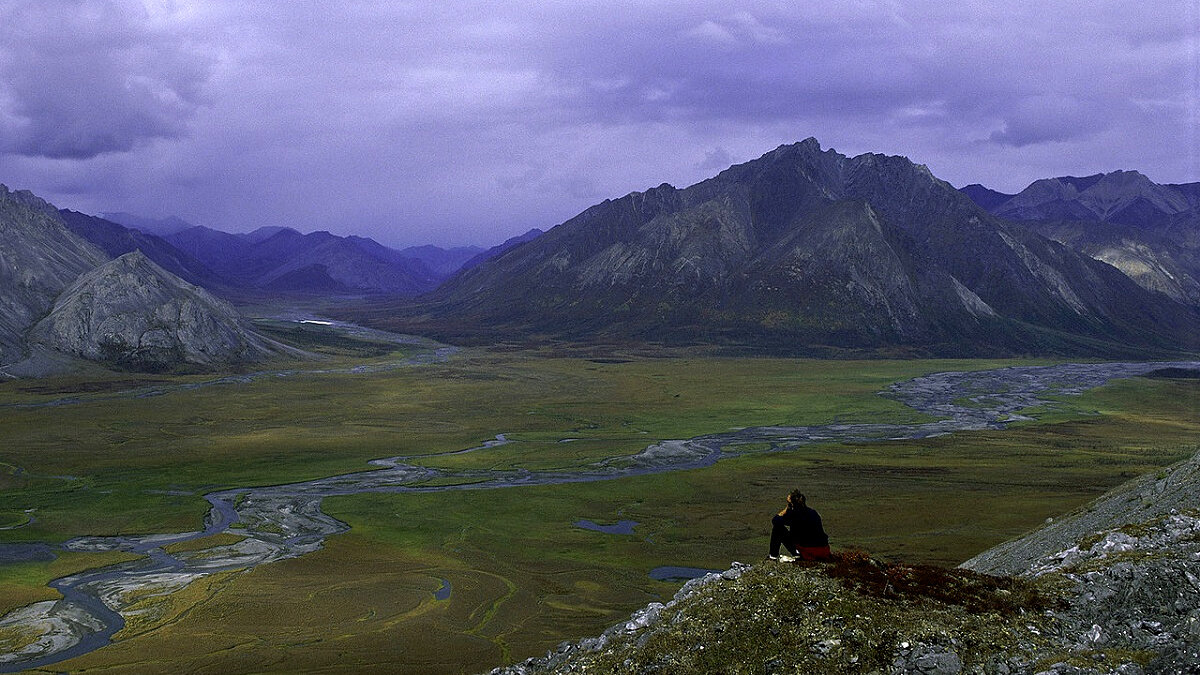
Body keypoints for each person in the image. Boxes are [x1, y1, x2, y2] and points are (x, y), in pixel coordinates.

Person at [769, 489, 830, 562]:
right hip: (823, 551)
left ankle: (773, 556)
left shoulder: (794, 514)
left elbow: (775, 520)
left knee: (778, 529)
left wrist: (786, 509)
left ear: (792, 504)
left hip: (808, 551)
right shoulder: (813, 512)